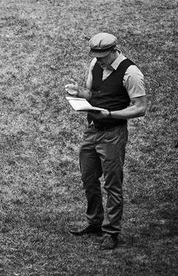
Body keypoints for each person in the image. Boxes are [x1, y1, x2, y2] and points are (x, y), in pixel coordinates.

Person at [64, 32, 147, 250]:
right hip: (92, 131)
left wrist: (110, 114)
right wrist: (79, 92)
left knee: (112, 184)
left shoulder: (131, 73)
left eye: (103, 56)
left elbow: (140, 108)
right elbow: (91, 94)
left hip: (113, 134)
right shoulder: (95, 64)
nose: (99, 59)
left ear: (114, 50)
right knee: (88, 178)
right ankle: (94, 222)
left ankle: (111, 231)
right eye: (96, 55)